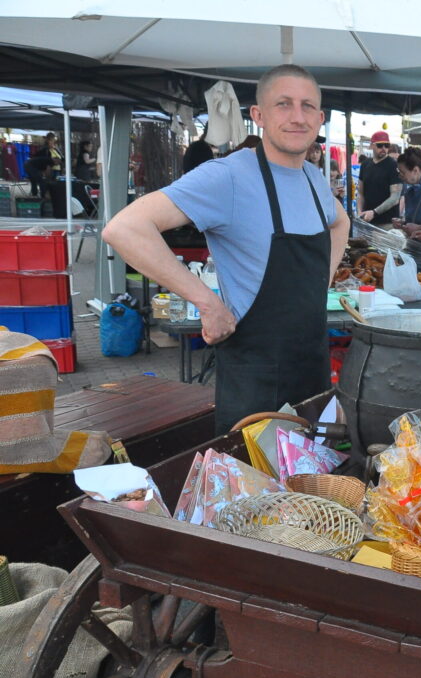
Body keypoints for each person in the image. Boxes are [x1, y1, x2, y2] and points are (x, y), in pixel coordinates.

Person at [102, 64, 350, 435]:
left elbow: (341, 223)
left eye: (307, 106)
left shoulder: (314, 179)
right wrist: (207, 303)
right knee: (255, 489)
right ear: (258, 115)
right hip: (255, 384)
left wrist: (322, 284)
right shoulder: (228, 176)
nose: (297, 117)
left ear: (320, 117)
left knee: (313, 488)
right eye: (283, 104)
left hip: (312, 373)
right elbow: (124, 229)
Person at [358, 130, 402, 226]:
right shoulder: (365, 164)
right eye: (380, 145)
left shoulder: (393, 165)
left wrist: (374, 212)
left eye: (386, 145)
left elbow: (395, 198)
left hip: (387, 222)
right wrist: (359, 212)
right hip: (367, 221)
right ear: (371, 146)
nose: (383, 148)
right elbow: (360, 193)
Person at [397, 146, 421, 230]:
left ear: (415, 170)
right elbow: (412, 220)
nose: (400, 176)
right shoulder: (409, 192)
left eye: (403, 172)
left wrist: (420, 228)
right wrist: (403, 223)